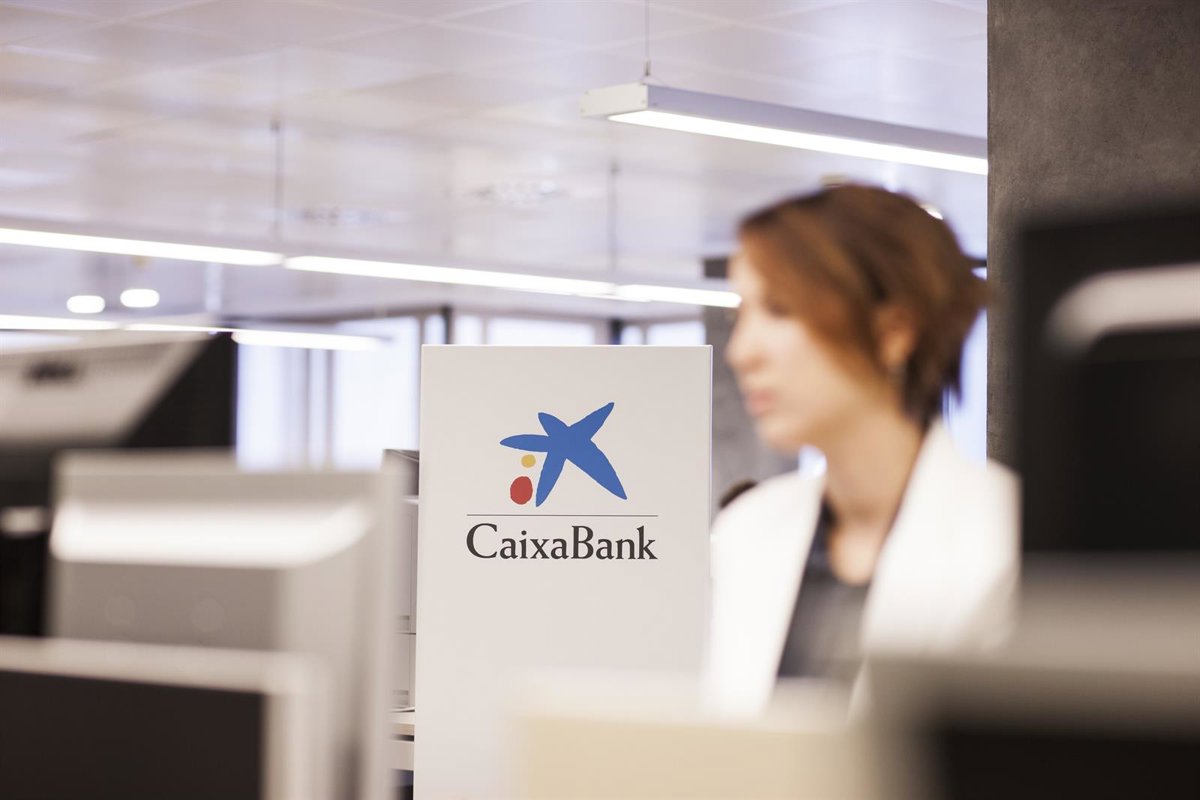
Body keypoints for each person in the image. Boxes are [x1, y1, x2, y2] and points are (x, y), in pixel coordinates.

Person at [705, 185, 1018, 714]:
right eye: (742, 316)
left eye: (779, 310)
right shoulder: (748, 531)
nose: (741, 352)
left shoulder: (1013, 544)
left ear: (893, 332)